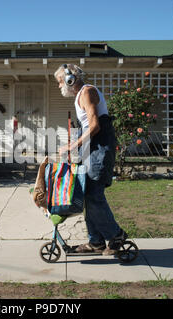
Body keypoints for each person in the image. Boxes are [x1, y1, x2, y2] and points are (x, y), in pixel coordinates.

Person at [54, 63, 127, 255]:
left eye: (60, 81)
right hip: (91, 149)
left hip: (100, 148)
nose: (59, 85)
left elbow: (95, 126)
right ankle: (96, 242)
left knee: (94, 195)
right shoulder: (81, 95)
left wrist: (73, 145)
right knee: (87, 196)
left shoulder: (87, 92)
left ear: (71, 79)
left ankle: (116, 235)